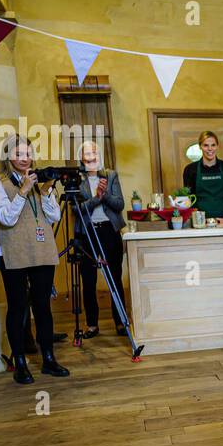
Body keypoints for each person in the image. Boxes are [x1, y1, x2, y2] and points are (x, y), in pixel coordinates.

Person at [0, 135, 69, 384]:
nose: (25, 159)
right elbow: (6, 218)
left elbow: (54, 216)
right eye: (19, 154)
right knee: (17, 308)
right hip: (14, 253)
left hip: (42, 251)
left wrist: (45, 192)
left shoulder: (39, 181)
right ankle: (20, 362)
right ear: (8, 157)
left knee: (43, 307)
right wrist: (22, 192)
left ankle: (48, 359)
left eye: (28, 153)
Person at [75, 140, 126, 339]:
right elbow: (76, 210)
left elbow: (119, 204)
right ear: (82, 158)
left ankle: (121, 322)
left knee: (114, 278)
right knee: (88, 280)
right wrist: (97, 197)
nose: (91, 156)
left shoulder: (110, 175)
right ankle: (92, 325)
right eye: (87, 153)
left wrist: (104, 196)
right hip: (87, 233)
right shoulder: (75, 181)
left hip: (109, 231)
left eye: (94, 152)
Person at [182, 131, 223, 223]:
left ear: (217, 146)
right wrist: (196, 219)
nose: (210, 149)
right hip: (200, 222)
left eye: (213, 145)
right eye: (206, 145)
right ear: (200, 146)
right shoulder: (190, 170)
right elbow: (189, 199)